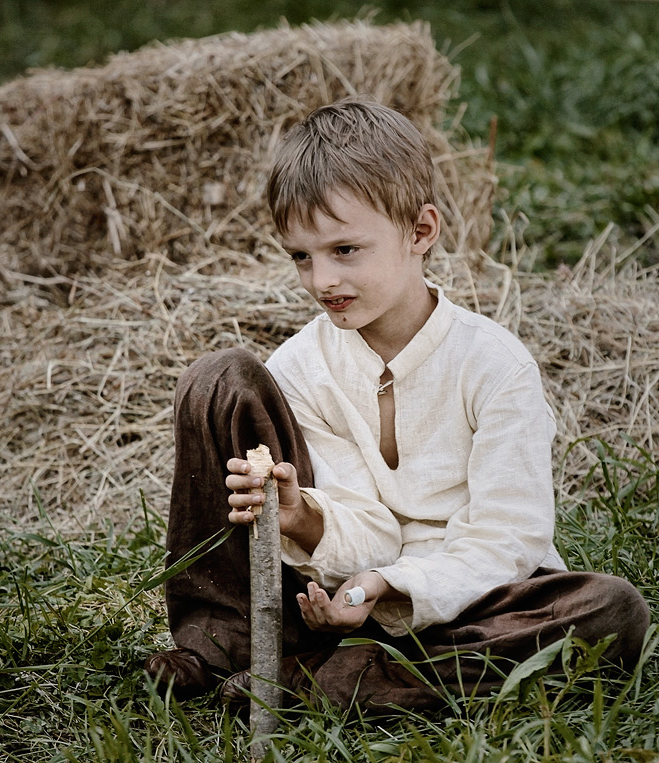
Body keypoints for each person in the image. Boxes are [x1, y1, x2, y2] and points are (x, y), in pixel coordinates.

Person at [144, 98, 650, 713]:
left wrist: (389, 587)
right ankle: (228, 643)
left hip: (471, 603)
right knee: (219, 377)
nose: (321, 280)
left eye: (345, 251)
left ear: (420, 232)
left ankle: (320, 681)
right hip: (325, 595)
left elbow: (507, 538)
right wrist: (302, 516)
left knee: (610, 610)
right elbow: (368, 526)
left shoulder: (494, 364)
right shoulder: (299, 368)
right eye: (301, 256)